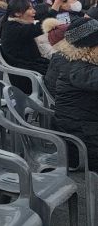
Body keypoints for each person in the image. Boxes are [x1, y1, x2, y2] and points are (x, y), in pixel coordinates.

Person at [46, 18, 98, 171]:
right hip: (84, 145)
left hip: (80, 131)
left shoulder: (72, 60)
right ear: (90, 47)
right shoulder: (81, 70)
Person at [0, 0, 50, 88]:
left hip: (32, 69)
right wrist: (56, 6)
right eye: (30, 9)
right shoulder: (13, 29)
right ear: (17, 13)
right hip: (27, 77)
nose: (34, 11)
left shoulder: (16, 25)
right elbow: (42, 26)